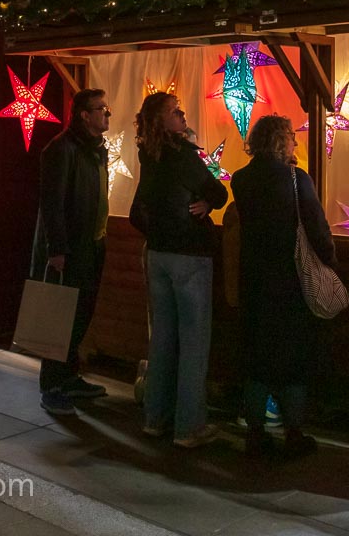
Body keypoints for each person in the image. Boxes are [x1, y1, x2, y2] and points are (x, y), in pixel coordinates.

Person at [231, 114, 336, 458]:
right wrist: (330, 261)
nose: (295, 141)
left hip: (254, 279)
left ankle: (256, 431)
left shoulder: (242, 180)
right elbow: (317, 228)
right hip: (291, 281)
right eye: (291, 136)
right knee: (293, 359)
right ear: (280, 140)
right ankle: (294, 431)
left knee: (257, 357)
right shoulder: (296, 179)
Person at [130, 92, 229, 448]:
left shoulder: (149, 157)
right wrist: (208, 203)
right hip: (189, 255)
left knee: (162, 340)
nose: (183, 114)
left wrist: (157, 233)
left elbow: (135, 212)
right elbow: (218, 192)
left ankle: (155, 418)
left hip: (158, 256)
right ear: (162, 121)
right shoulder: (184, 157)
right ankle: (189, 426)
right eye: (175, 112)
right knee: (193, 342)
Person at [33, 88, 111, 416]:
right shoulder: (62, 149)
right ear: (84, 115)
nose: (107, 114)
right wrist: (58, 248)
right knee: (61, 314)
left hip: (93, 243)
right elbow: (52, 203)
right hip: (72, 245)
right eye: (101, 109)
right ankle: (52, 384)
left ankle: (69, 375)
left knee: (82, 312)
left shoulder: (95, 150)